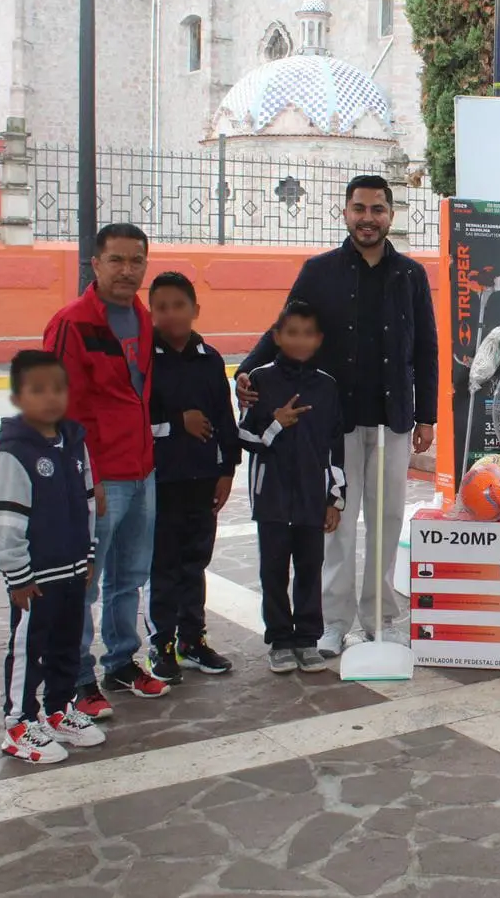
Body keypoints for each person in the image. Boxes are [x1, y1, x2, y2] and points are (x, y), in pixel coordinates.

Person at [237, 175, 438, 658]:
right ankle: (332, 622)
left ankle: (379, 619)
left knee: (387, 518)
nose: (368, 218)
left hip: (392, 419)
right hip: (333, 422)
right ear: (344, 213)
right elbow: (284, 327)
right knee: (338, 521)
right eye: (359, 208)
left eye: (377, 209)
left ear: (391, 215)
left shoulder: (410, 275)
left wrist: (427, 415)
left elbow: (427, 348)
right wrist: (247, 370)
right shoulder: (318, 271)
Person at [43, 223, 169, 714]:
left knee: (130, 575)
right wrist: (80, 479)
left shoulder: (141, 317)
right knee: (85, 582)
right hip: (97, 477)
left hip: (141, 470)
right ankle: (78, 677)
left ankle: (121, 663)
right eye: (116, 260)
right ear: (95, 265)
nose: (127, 270)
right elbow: (58, 408)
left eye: (136, 261)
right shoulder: (73, 324)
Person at [0, 350, 107, 765]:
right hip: (35, 578)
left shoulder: (73, 441)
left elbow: (87, 501)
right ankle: (18, 723)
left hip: (72, 571)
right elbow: (2, 521)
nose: (50, 398)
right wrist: (18, 575)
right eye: (37, 390)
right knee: (29, 649)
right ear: (18, 398)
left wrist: (88, 554)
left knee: (65, 646)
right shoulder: (14, 453)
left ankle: (58, 710)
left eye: (58, 388)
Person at [238, 301, 347, 674]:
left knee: (309, 566)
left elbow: (335, 446)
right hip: (271, 495)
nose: (300, 341)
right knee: (273, 569)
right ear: (277, 337)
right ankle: (280, 640)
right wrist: (275, 424)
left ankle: (306, 638)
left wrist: (335, 498)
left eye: (308, 334)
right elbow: (245, 436)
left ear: (318, 340)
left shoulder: (328, 386)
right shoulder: (260, 381)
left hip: (311, 496)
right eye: (291, 333)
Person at [145, 272, 240, 684]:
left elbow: (223, 417)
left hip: (203, 477)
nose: (170, 315)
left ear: (195, 310)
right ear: (150, 314)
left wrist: (227, 469)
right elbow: (136, 418)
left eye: (178, 305)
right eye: (161, 307)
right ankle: (161, 643)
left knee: (195, 560)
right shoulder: (144, 358)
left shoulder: (210, 358)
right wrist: (175, 423)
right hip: (162, 479)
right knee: (164, 564)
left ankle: (192, 639)